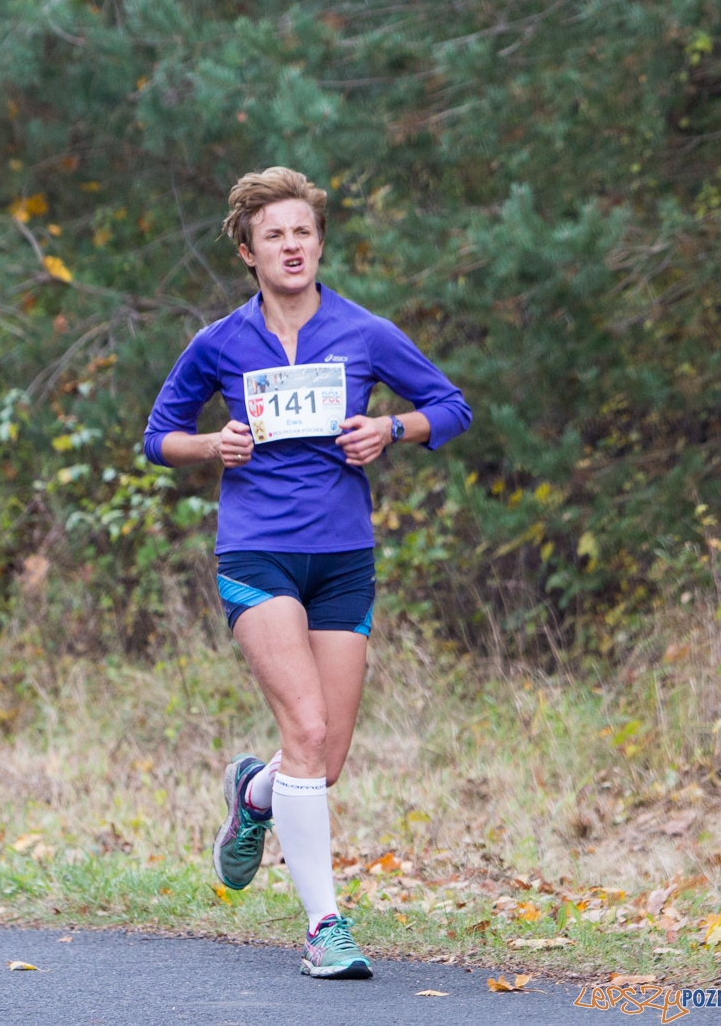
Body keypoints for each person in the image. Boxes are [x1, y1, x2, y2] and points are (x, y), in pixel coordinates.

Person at [143, 168, 471, 979]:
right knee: (307, 729)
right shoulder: (220, 342)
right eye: (275, 235)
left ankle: (254, 793)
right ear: (248, 252)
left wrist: (391, 429)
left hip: (342, 557)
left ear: (319, 244)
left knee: (321, 763)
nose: (292, 246)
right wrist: (213, 444)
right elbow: (160, 437)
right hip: (257, 551)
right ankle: (325, 926)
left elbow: (451, 407)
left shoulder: (365, 332)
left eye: (303, 232)